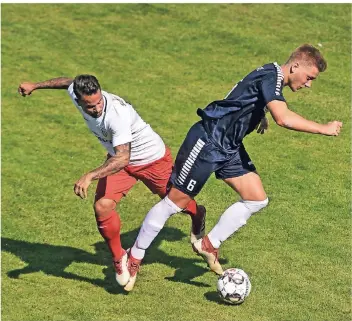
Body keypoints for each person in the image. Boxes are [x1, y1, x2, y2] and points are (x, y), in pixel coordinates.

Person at [124, 44, 343, 291]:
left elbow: (241, 95)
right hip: (207, 142)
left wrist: (258, 113)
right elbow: (284, 118)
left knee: (256, 198)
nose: (308, 84)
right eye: (309, 77)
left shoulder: (270, 75)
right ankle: (133, 256)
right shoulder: (271, 76)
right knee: (175, 203)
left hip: (229, 147)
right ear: (295, 66)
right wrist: (323, 128)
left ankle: (209, 244)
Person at [17, 75, 206, 289]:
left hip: (151, 160)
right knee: (102, 206)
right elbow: (68, 82)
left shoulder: (116, 115)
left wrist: (90, 175)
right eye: (90, 105)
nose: (97, 108)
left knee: (176, 203)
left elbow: (123, 157)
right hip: (119, 161)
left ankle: (197, 213)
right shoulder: (76, 93)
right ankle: (120, 258)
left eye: (99, 102)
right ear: (79, 100)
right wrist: (36, 85)